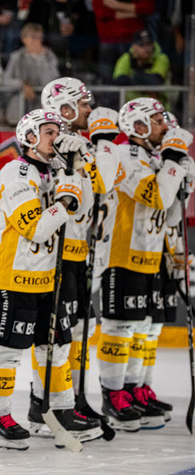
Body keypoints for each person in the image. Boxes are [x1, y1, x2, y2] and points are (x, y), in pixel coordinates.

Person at [0, 108, 102, 450]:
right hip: (14, 277)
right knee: (6, 353)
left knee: (57, 346)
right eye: (49, 131)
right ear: (29, 137)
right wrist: (66, 198)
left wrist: (77, 169)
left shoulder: (58, 171)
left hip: (49, 278)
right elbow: (35, 228)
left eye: (58, 131)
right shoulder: (15, 172)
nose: (57, 137)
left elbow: (86, 209)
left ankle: (61, 410)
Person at [94, 98, 190, 432]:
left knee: (146, 328)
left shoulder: (152, 157)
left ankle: (135, 388)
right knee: (120, 327)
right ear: (138, 126)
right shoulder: (126, 154)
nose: (165, 126)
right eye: (158, 120)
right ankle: (113, 394)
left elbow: (170, 210)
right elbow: (157, 196)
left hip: (151, 254)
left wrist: (181, 179)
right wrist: (175, 164)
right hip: (121, 254)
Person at [39, 77, 125, 428]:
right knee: (58, 332)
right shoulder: (51, 146)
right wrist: (74, 155)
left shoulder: (84, 144)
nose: (89, 110)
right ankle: (43, 401)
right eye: (83, 104)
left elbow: (108, 183)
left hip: (87, 249)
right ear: (63, 109)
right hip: (62, 251)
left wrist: (91, 150)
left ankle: (75, 396)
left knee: (78, 330)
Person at [3, 23, 60, 125]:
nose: (35, 41)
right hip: (19, 109)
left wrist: (41, 58)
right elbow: (6, 80)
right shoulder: (16, 57)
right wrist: (22, 85)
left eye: (38, 37)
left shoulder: (49, 57)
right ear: (23, 39)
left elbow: (51, 82)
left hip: (42, 110)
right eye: (32, 37)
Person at [92, 0, 154, 85]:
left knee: (135, 81)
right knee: (107, 83)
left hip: (136, 43)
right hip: (109, 41)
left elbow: (148, 7)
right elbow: (102, 12)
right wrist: (133, 10)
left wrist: (117, 5)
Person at [113, 30, 171, 108]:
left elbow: (155, 81)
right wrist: (144, 80)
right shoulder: (126, 58)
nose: (146, 48)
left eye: (149, 44)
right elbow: (119, 79)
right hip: (132, 109)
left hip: (158, 108)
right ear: (134, 46)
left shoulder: (161, 58)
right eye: (141, 44)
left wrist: (133, 79)